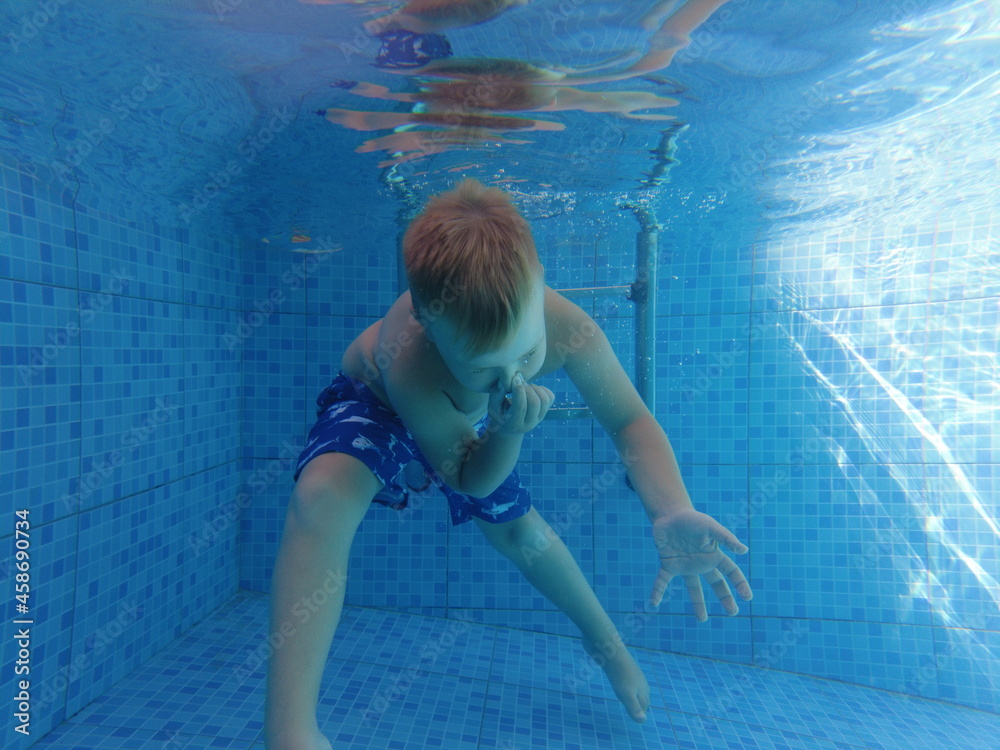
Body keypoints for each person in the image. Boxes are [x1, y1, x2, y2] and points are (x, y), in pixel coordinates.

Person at [263, 178, 752, 750]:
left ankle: (609, 647)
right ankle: (289, 729)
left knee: (524, 533)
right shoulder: (413, 359)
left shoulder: (563, 322)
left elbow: (630, 421)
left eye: (526, 355)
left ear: (540, 281)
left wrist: (669, 508)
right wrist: (502, 429)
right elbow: (468, 476)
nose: (514, 379)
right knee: (323, 495)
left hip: (473, 427)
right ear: (425, 319)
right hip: (380, 404)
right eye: (487, 368)